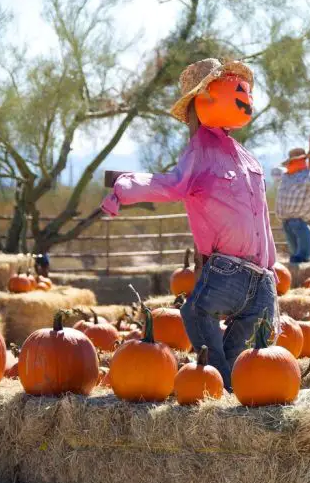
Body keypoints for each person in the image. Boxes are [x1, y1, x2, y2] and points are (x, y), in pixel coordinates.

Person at [100, 58, 277, 391]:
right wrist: (125, 187)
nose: (242, 93)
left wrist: (272, 266)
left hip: (256, 275)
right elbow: (176, 185)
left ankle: (223, 388)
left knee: (216, 331)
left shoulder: (245, 156)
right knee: (203, 318)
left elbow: (261, 215)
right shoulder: (203, 152)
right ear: (204, 100)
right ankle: (221, 386)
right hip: (236, 270)